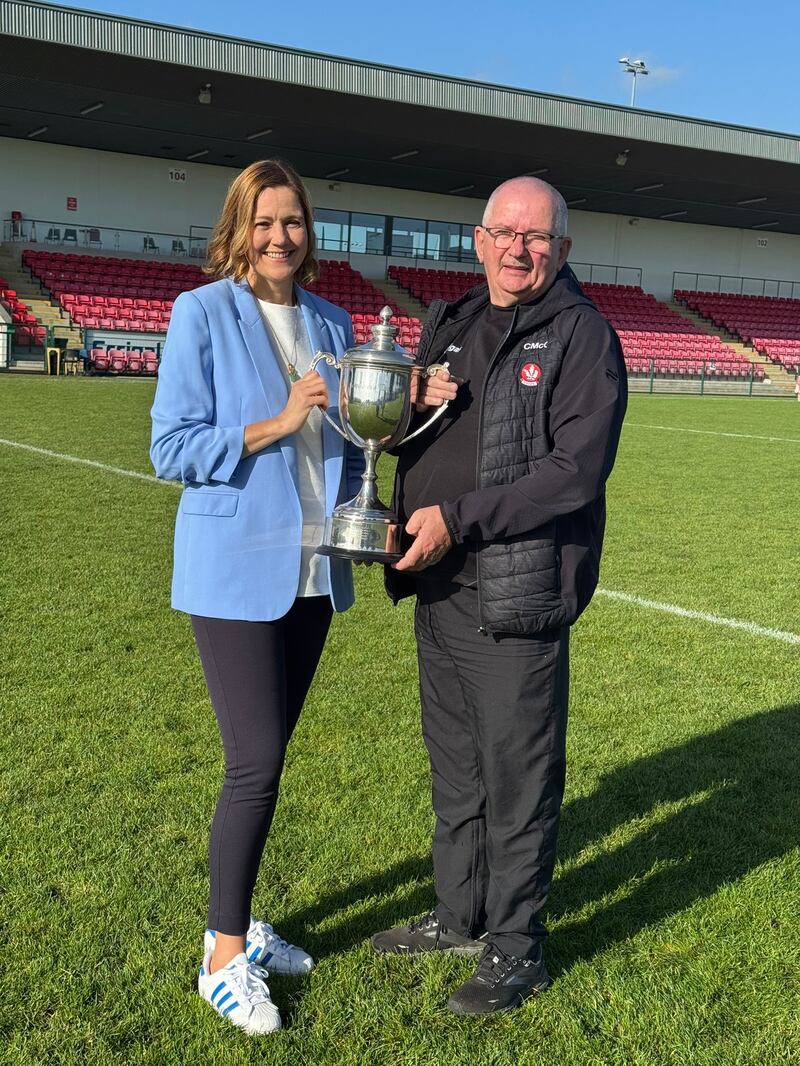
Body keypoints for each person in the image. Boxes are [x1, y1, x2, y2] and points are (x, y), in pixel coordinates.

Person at [371, 176, 628, 1015]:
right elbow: (410, 442)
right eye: (505, 233)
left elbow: (572, 474)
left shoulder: (582, 337)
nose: (519, 250)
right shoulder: (448, 324)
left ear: (561, 250)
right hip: (436, 586)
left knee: (517, 780)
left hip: (514, 598)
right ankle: (459, 916)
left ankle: (517, 950)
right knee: (457, 774)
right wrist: (397, 508)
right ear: (479, 240)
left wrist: (459, 518)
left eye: (538, 237)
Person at [150, 159, 363, 1036]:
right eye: (265, 222)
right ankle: (222, 954)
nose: (282, 237)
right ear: (240, 228)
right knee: (255, 761)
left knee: (268, 763)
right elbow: (171, 447)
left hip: (313, 571)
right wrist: (277, 420)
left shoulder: (334, 320)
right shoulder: (200, 312)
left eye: (295, 222)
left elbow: (356, 435)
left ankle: (243, 924)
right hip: (235, 571)